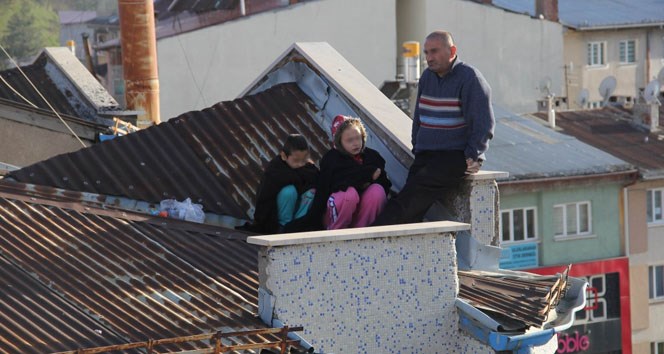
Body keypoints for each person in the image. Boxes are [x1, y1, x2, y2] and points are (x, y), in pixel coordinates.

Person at [373, 30, 495, 226]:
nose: (429, 58)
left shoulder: (469, 78)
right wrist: (417, 145)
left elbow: (483, 123)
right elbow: (419, 117)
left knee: (412, 196)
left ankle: (376, 231)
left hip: (453, 156)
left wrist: (472, 155)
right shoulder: (427, 77)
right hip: (426, 154)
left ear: (452, 50)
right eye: (426, 52)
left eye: (434, 51)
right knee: (409, 196)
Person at [290, 115, 391, 231]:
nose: (355, 143)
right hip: (333, 215)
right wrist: (367, 175)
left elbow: (384, 183)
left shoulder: (372, 157)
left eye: (358, 138)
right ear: (339, 142)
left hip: (360, 214)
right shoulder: (331, 159)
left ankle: (363, 231)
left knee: (376, 191)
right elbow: (336, 183)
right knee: (348, 194)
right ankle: (336, 233)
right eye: (349, 140)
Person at [250, 134, 319, 234]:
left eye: (303, 160)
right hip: (278, 219)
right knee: (289, 191)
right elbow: (265, 198)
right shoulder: (275, 170)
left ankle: (297, 227)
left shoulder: (308, 169)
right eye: (296, 160)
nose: (300, 164)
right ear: (283, 156)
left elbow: (317, 182)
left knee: (312, 191)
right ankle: (283, 228)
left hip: (299, 217)